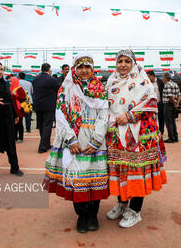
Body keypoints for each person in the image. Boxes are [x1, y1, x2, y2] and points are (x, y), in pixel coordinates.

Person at [43, 53, 109, 233]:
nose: (84, 70)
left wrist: (96, 140)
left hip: (95, 140)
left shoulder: (100, 89)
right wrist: (70, 139)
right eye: (80, 67)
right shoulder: (67, 88)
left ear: (93, 69)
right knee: (76, 179)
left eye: (88, 67)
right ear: (74, 69)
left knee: (95, 179)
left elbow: (104, 116)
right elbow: (61, 115)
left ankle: (93, 214)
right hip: (73, 141)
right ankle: (81, 215)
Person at [106, 49, 167, 228]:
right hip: (116, 134)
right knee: (120, 169)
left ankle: (135, 210)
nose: (123, 65)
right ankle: (122, 203)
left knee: (136, 171)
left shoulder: (142, 81)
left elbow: (151, 102)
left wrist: (130, 115)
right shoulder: (112, 81)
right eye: (120, 61)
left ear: (133, 63)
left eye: (127, 61)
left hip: (138, 136)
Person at [32, 63, 60, 153]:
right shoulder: (51, 79)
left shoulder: (35, 79)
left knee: (41, 126)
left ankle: (46, 144)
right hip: (48, 106)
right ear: (49, 69)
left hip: (37, 105)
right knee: (47, 126)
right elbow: (58, 89)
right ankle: (42, 147)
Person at [162, 72, 180, 143]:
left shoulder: (167, 84)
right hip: (173, 104)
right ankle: (175, 137)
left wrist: (174, 104)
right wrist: (177, 104)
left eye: (163, 77)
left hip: (168, 105)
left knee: (168, 122)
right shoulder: (175, 84)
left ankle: (171, 138)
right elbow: (179, 95)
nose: (163, 79)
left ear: (166, 78)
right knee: (173, 121)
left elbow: (170, 96)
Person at [146, 71, 164, 135]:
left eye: (148, 76)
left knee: (161, 118)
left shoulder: (160, 82)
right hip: (151, 105)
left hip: (160, 103)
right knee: (152, 118)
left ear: (153, 76)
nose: (147, 78)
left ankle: (161, 132)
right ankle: (153, 130)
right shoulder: (147, 83)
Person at [9, 77, 26, 142]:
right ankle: (14, 137)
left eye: (11, 81)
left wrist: (15, 95)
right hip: (12, 108)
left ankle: (20, 137)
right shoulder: (10, 89)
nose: (10, 82)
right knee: (13, 124)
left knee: (19, 123)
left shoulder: (19, 89)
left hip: (18, 109)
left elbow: (22, 98)